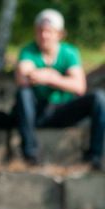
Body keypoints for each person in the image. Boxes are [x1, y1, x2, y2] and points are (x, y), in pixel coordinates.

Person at [14, 8, 105, 170]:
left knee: (99, 98)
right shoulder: (28, 51)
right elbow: (22, 77)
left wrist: (50, 78)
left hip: (62, 109)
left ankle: (94, 156)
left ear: (60, 34)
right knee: (23, 93)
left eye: (49, 31)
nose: (44, 35)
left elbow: (79, 87)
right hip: (37, 112)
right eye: (40, 31)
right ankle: (30, 154)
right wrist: (57, 78)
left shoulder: (69, 53)